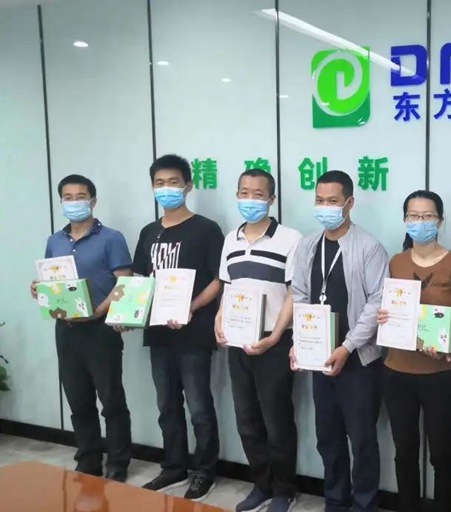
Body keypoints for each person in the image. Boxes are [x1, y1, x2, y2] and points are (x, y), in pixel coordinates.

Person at [290, 170, 389, 512]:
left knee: (361, 439)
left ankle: (365, 504)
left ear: (349, 203)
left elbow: (377, 303)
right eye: (320, 200)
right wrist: (299, 341)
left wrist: (346, 347)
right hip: (319, 357)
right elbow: (299, 294)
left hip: (357, 359)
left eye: (332, 201)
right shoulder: (307, 245)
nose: (325, 207)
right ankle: (335, 499)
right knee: (327, 436)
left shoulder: (369, 247)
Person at [132, 154, 224, 502]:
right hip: (158, 333)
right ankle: (173, 466)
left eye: (173, 182)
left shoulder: (206, 229)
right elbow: (140, 281)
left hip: (194, 332)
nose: (166, 189)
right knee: (167, 405)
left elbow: (219, 279)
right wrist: (127, 314)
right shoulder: (148, 232)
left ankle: (204, 471)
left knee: (199, 408)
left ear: (188, 185)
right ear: (152, 187)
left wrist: (192, 307)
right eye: (160, 183)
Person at [29, 175, 133, 481]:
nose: (74, 202)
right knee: (78, 399)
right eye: (68, 197)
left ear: (93, 201)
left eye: (80, 196)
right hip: (66, 330)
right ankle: (88, 460)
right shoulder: (55, 241)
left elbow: (124, 283)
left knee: (111, 400)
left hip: (100, 330)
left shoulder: (111, 238)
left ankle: (118, 462)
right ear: (61, 201)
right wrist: (39, 289)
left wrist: (97, 312)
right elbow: (51, 283)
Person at [376, 191, 451, 512]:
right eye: (413, 216)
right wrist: (383, 317)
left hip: (439, 373)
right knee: (404, 451)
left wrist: (446, 342)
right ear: (405, 220)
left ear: (440, 221)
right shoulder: (395, 261)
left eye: (428, 216)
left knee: (442, 452)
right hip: (397, 370)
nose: (420, 222)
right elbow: (390, 307)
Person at [215, 169, 302, 512]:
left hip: (273, 343)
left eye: (258, 194)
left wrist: (276, 335)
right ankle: (261, 485)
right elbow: (228, 287)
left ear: (271, 199)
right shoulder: (230, 239)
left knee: (276, 420)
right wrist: (219, 320)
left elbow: (295, 293)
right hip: (238, 342)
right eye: (244, 192)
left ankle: (284, 490)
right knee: (247, 419)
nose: (249, 199)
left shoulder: (290, 239)